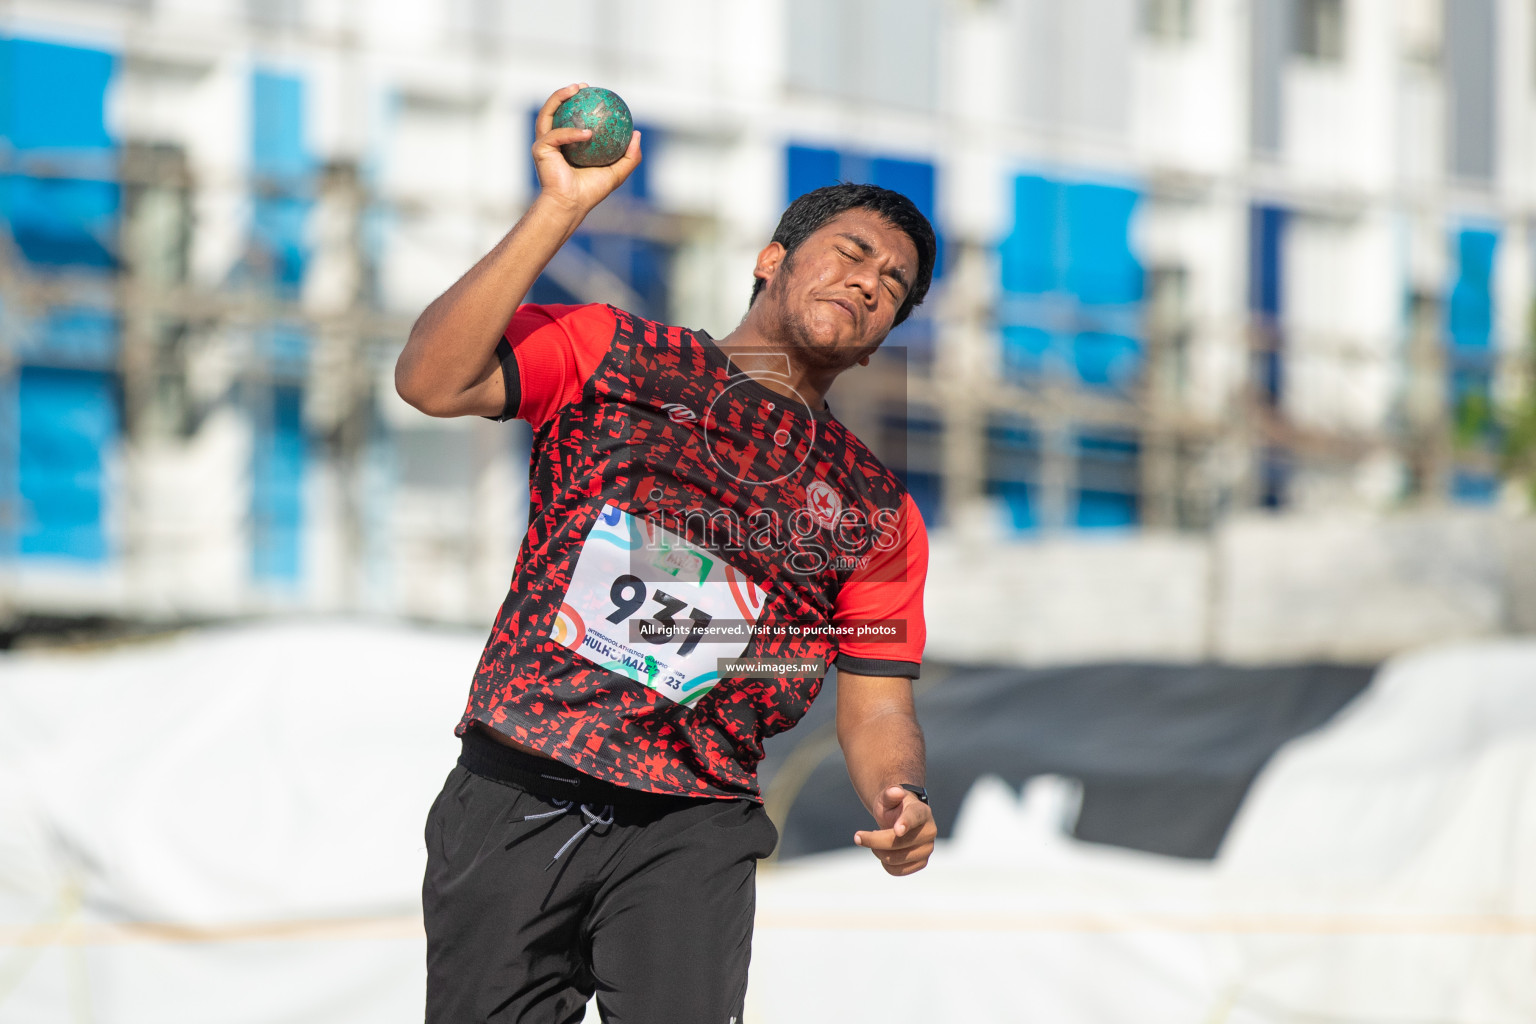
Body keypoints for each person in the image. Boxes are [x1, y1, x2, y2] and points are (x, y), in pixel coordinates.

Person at [396, 82, 938, 1024]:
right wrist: (561, 208)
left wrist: (900, 793)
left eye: (892, 287)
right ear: (773, 258)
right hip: (519, 785)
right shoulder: (611, 352)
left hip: (695, 824)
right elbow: (431, 382)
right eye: (853, 253)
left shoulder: (876, 511)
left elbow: (878, 698)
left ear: (881, 338)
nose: (868, 282)